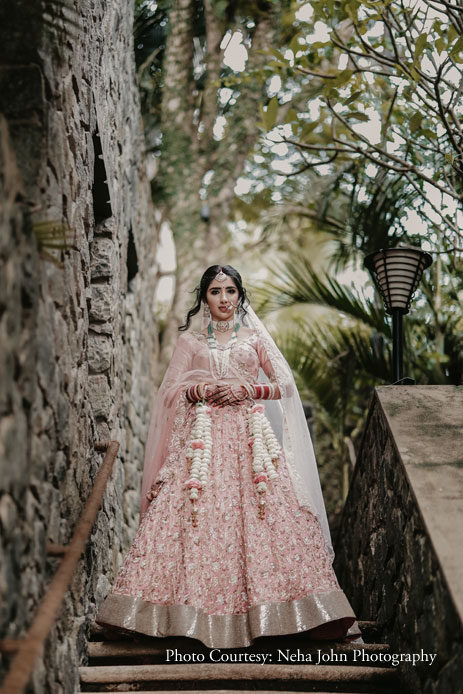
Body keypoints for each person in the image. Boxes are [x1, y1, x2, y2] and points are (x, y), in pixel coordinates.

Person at [96, 264, 362, 647]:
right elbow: (169, 392)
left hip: (251, 442)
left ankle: (282, 616)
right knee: (195, 518)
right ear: (204, 297)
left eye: (231, 291)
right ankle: (180, 618)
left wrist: (248, 390)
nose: (224, 299)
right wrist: (198, 388)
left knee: (265, 516)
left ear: (240, 295)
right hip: (200, 447)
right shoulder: (190, 341)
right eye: (216, 292)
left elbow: (285, 383)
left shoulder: (255, 338)